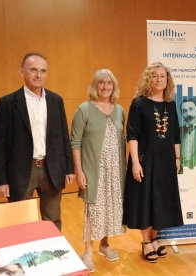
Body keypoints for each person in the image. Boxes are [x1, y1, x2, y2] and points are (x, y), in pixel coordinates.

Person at [0, 52, 74, 230]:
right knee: (19, 223)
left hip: (51, 170)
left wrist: (68, 168)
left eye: (43, 71)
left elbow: (63, 137)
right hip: (21, 172)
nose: (39, 75)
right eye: (33, 70)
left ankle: (53, 255)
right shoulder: (7, 103)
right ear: (22, 72)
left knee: (52, 222)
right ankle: (23, 257)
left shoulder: (56, 101)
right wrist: (1, 180)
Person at [123, 62, 183, 263]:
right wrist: (134, 163)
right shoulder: (139, 103)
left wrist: (177, 157)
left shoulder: (170, 104)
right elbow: (131, 134)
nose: (159, 80)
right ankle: (146, 241)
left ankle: (156, 237)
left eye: (163, 76)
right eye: (155, 76)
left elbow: (175, 132)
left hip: (166, 162)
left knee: (162, 200)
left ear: (168, 81)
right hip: (145, 160)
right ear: (149, 79)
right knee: (145, 201)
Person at [71, 69, 126, 272]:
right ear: (95, 85)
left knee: (110, 207)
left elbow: (122, 140)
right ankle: (87, 251)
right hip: (93, 169)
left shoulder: (119, 110)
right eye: (101, 83)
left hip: (115, 169)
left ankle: (104, 245)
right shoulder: (84, 109)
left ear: (114, 86)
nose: (105, 87)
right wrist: (79, 171)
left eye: (109, 83)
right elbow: (75, 142)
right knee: (92, 210)